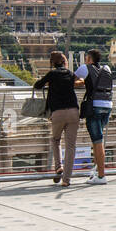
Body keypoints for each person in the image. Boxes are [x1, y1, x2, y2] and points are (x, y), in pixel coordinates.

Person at [33, 50, 80, 187]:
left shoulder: (52, 74)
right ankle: (66, 180)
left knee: (55, 139)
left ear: (52, 63)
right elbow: (79, 81)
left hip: (58, 112)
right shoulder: (70, 74)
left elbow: (37, 85)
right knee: (71, 146)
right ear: (65, 62)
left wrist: (49, 84)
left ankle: (58, 166)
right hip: (73, 111)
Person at [74, 49, 113, 185]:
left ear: (89, 59)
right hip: (107, 105)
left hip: (94, 106)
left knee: (97, 141)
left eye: (86, 59)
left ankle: (102, 176)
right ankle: (97, 172)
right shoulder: (106, 68)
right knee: (98, 139)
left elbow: (72, 81)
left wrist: (81, 82)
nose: (85, 61)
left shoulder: (84, 68)